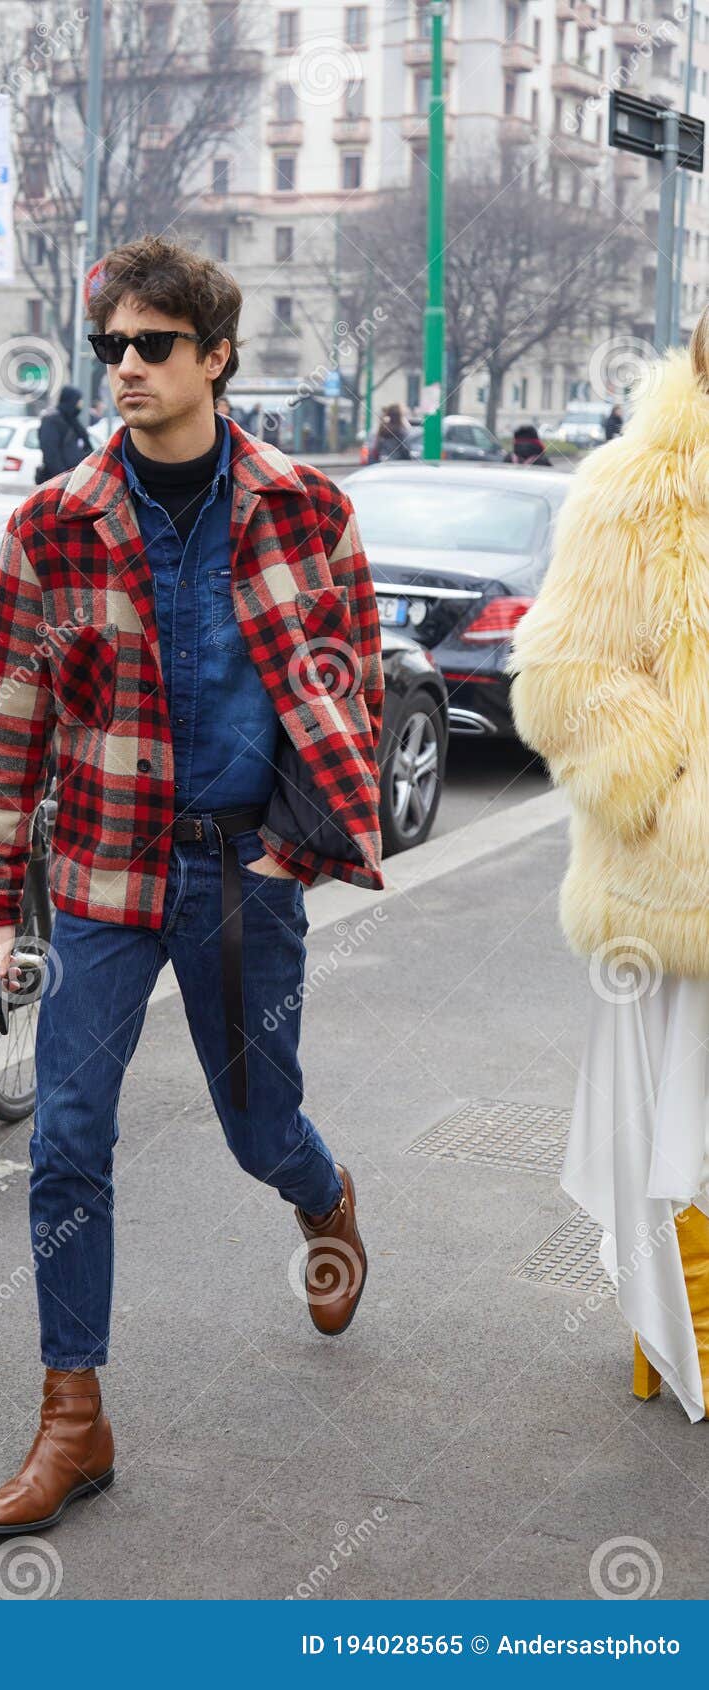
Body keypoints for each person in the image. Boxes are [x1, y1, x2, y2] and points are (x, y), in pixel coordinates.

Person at [0, 233, 383, 1537]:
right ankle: (71, 1417)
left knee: (257, 1122)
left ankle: (317, 1190)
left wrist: (295, 849)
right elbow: (5, 720)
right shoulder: (54, 526)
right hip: (97, 870)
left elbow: (350, 685)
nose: (125, 369)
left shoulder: (305, 507)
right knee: (69, 1140)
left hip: (241, 872)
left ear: (214, 356)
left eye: (151, 346)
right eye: (109, 350)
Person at [506, 318, 709, 1422]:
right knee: (683, 1117)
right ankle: (684, 1333)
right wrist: (667, 794)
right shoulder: (636, 486)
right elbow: (556, 675)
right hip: (679, 885)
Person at [36, 384, 93, 482]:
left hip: (76, 478)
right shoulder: (52, 421)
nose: (81, 404)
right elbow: (51, 454)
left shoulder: (73, 421)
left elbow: (86, 446)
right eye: (78, 400)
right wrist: (63, 480)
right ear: (71, 400)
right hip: (59, 481)